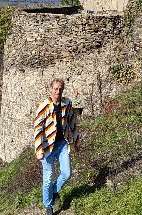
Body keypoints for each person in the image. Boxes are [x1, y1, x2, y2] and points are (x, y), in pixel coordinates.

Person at [33, 77, 79, 215]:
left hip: (62, 144)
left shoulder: (67, 103)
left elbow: (72, 120)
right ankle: (48, 205)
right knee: (48, 177)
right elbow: (37, 128)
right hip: (47, 147)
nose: (58, 91)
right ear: (50, 90)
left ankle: (53, 191)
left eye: (60, 89)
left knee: (67, 173)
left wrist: (76, 139)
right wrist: (39, 149)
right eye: (55, 89)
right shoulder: (44, 106)